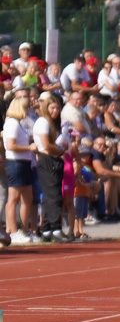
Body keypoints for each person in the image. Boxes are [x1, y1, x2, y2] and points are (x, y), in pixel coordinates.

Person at [33, 92, 69, 241]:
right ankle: (55, 229)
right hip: (48, 159)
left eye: (57, 108)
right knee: (54, 195)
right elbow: (46, 145)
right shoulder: (43, 122)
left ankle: (47, 230)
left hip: (52, 159)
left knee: (49, 196)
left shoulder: (51, 124)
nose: (55, 111)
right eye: (52, 108)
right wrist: (61, 151)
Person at [3, 97, 37, 244]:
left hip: (24, 163)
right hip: (15, 163)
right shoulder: (12, 123)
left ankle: (24, 230)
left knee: (27, 198)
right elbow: (10, 145)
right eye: (26, 108)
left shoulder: (17, 123)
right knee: (13, 199)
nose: (28, 110)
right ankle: (14, 232)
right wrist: (29, 147)